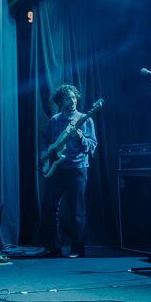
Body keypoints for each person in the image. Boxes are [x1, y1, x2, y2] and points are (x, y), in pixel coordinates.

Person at [38, 84, 98, 258]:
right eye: (67, 98)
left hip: (77, 169)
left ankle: (77, 249)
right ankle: (52, 247)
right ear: (60, 102)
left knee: (76, 210)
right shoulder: (54, 120)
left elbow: (92, 146)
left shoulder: (85, 119)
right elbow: (45, 141)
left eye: (73, 97)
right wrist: (43, 154)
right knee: (48, 206)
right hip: (56, 168)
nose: (72, 101)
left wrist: (80, 137)